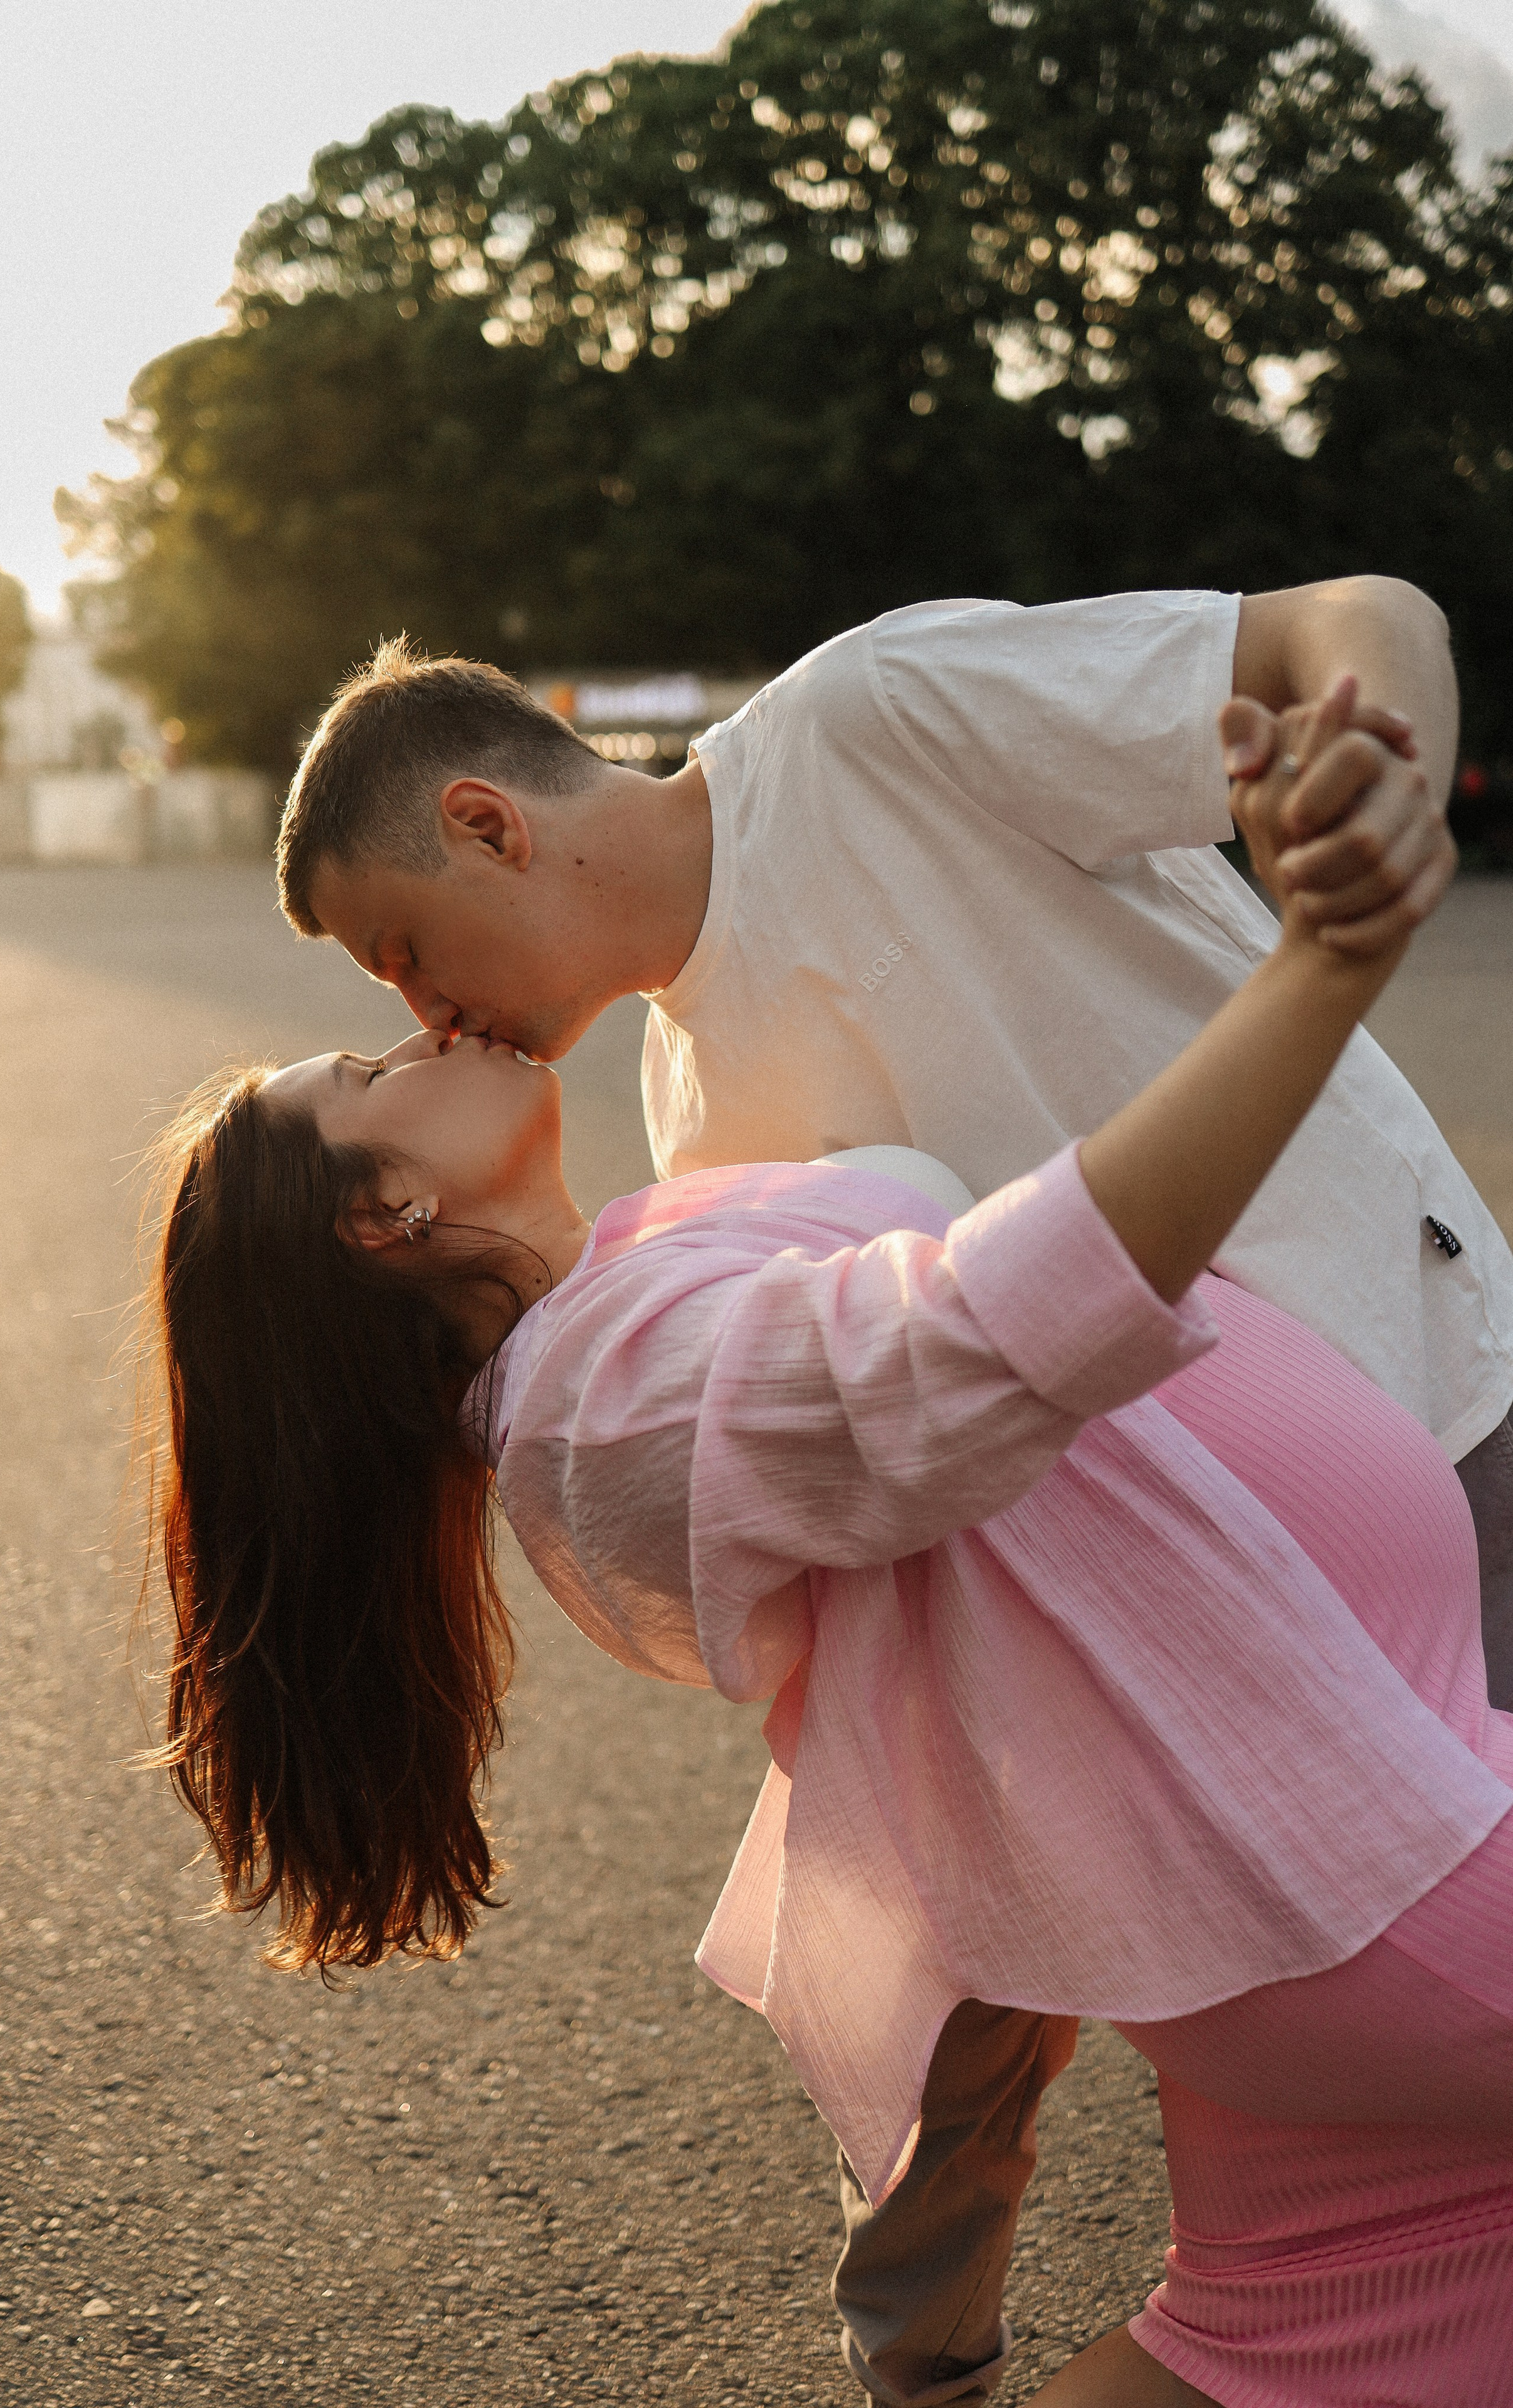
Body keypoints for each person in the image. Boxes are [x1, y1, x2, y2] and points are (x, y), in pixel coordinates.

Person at [149, 690, 1513, 2405]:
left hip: (1333, 1841)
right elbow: (968, 1350)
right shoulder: (607, 1405)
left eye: (395, 1003)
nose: (419, 1031)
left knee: (1295, 2341)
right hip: (1362, 1864)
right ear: (386, 1215)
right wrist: (1319, 973)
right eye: (371, 1071)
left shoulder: (626, 1285)